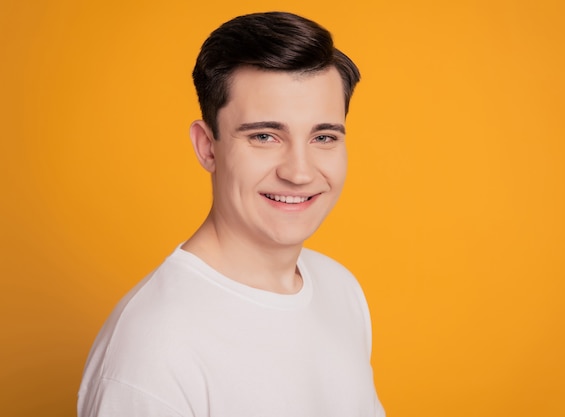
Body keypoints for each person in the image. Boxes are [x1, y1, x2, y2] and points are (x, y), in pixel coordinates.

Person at [78, 11, 384, 417]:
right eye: (264, 136)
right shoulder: (153, 349)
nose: (299, 171)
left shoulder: (340, 289)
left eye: (323, 136)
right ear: (208, 147)